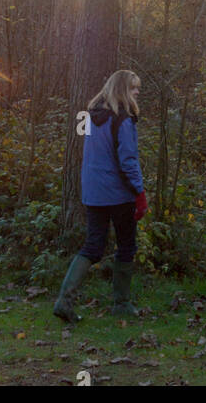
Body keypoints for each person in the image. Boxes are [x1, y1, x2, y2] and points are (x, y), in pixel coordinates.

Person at [53, 68, 148, 324]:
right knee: (126, 245)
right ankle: (122, 303)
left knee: (93, 246)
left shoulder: (90, 116)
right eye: (133, 88)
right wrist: (139, 193)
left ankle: (65, 300)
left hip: (94, 192)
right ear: (121, 90)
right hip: (119, 193)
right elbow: (128, 161)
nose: (138, 92)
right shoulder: (123, 119)